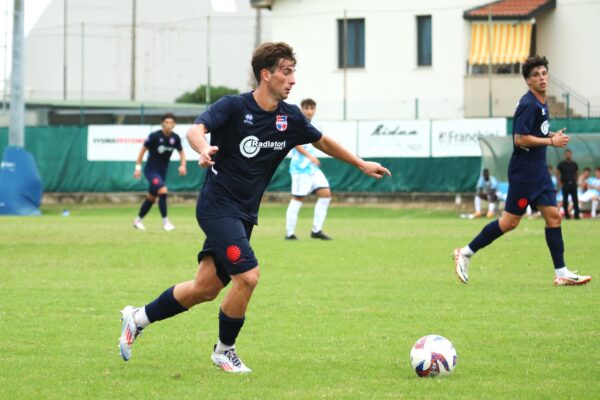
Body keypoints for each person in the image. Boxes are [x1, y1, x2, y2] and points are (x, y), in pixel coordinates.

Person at [119, 42, 391, 373]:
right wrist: (203, 149)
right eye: (286, 73)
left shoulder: (289, 117)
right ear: (266, 74)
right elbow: (194, 130)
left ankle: (137, 318)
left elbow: (321, 141)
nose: (292, 81)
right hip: (217, 206)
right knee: (248, 277)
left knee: (205, 288)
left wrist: (360, 163)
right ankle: (224, 350)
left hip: (244, 213)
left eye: (294, 73)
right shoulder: (233, 107)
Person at [452, 55, 591, 287]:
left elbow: (533, 134)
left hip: (539, 173)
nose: (542, 78)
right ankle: (465, 253)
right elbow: (520, 139)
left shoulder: (542, 102)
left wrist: (550, 136)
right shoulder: (529, 104)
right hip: (524, 173)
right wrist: (551, 142)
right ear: (528, 81)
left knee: (554, 217)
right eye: (536, 75)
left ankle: (562, 272)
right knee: (509, 223)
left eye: (544, 73)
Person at [285, 98, 333, 240]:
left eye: (312, 108)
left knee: (326, 195)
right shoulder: (297, 123)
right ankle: (289, 233)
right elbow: (295, 144)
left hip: (312, 169)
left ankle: (316, 230)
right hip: (300, 169)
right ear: (302, 109)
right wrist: (309, 157)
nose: (309, 111)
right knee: (298, 199)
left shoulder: (315, 125)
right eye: (306, 108)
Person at [132, 113, 186, 231]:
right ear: (162, 123)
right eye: (166, 122)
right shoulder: (154, 136)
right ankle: (166, 222)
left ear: (174, 124)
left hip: (162, 172)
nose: (168, 125)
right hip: (151, 171)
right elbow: (142, 151)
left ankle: (137, 220)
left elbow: (181, 152)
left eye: (171, 123)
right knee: (163, 190)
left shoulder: (175, 138)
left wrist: (183, 165)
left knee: (151, 198)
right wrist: (137, 168)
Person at [556, 148, 580, 219]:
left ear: (571, 155)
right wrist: (560, 183)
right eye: (567, 154)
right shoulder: (561, 164)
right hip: (565, 184)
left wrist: (576, 181)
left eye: (569, 154)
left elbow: (577, 173)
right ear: (565, 155)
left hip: (573, 184)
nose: (568, 155)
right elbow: (557, 173)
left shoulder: (574, 164)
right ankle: (567, 215)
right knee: (565, 200)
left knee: (575, 200)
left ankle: (577, 215)